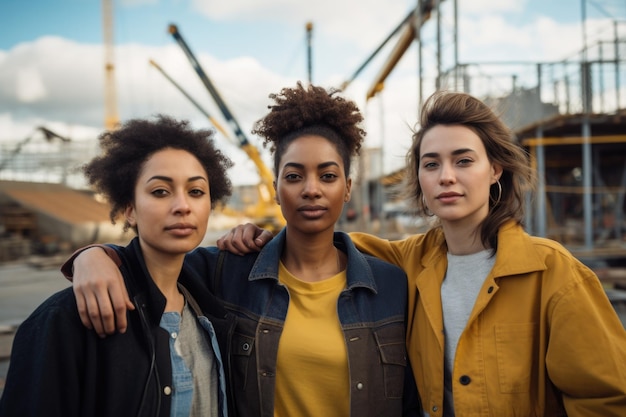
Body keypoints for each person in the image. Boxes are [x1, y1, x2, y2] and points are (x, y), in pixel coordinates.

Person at [217, 91, 626, 416]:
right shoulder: (407, 263)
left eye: (463, 160)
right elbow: (319, 240)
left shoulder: (553, 273)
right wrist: (261, 235)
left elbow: (606, 399)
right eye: (431, 164)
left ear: (495, 170)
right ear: (420, 178)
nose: (446, 176)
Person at [59, 82, 420, 417]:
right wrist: (94, 256)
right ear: (275, 188)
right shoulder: (227, 271)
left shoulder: (390, 286)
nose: (311, 189)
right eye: (294, 176)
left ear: (348, 187)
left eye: (327, 176)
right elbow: (153, 264)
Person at [0, 115, 235, 417]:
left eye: (196, 191)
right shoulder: (65, 319)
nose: (183, 206)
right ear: (130, 211)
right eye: (160, 191)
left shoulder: (211, 304)